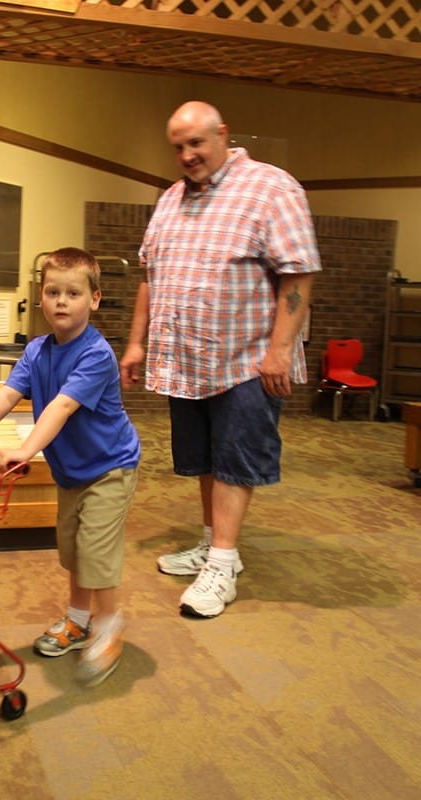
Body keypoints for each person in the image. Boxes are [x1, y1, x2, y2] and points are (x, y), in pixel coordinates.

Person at [120, 100, 321, 618]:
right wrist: (137, 342)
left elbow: (297, 275)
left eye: (196, 143)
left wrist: (279, 351)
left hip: (247, 358)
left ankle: (224, 563)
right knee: (205, 459)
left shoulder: (272, 188)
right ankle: (213, 545)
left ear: (222, 134)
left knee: (235, 462)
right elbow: (150, 276)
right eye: (178, 146)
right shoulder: (170, 199)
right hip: (188, 360)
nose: (187, 155)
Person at [0, 247, 140, 686]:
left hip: (111, 467)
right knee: (71, 548)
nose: (61, 301)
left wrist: (26, 450)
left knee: (95, 548)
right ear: (41, 297)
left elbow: (62, 406)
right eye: (53, 291)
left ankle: (108, 624)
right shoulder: (36, 350)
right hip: (72, 470)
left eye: (73, 293)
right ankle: (77, 619)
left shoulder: (96, 354)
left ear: (94, 299)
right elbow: (6, 395)